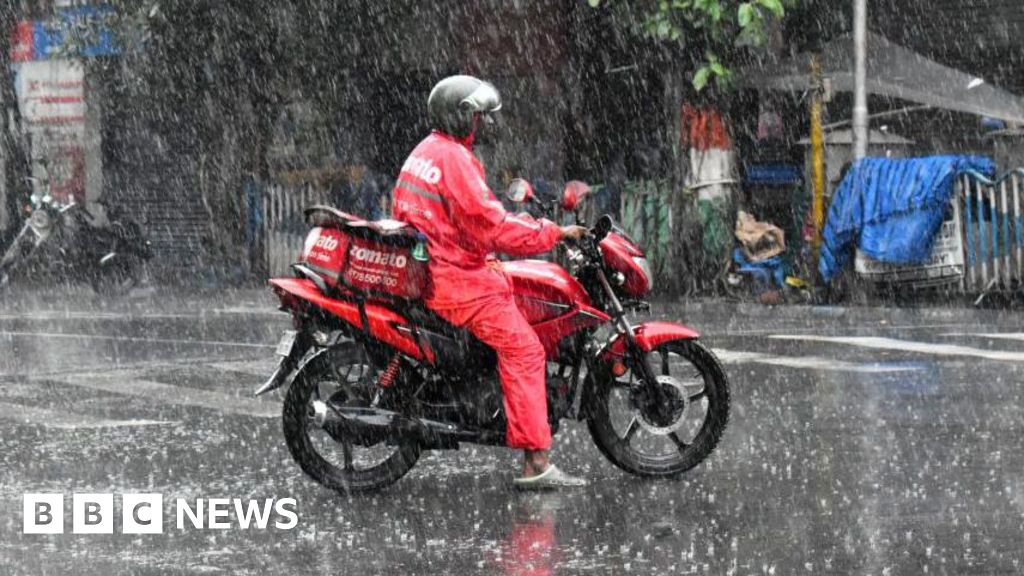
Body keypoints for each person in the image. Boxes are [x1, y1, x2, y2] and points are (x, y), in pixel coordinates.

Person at [392, 75, 588, 490]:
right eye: (480, 117)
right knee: (526, 350)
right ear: (463, 117)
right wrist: (551, 233)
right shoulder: (455, 161)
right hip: (455, 281)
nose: (485, 126)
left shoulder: (426, 151)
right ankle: (537, 463)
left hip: (436, 270)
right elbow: (493, 227)